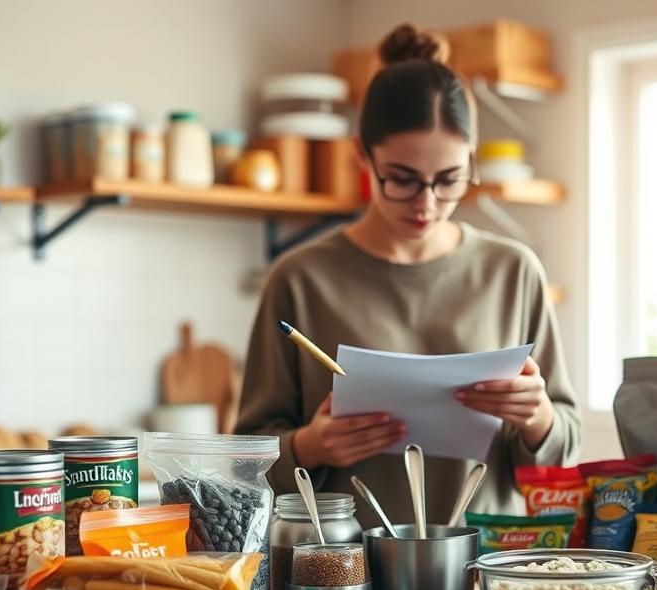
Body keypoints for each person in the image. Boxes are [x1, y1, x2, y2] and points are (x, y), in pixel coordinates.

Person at [235, 22, 580, 529]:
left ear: (471, 161)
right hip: (344, 574)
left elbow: (562, 452)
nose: (426, 204)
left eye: (449, 180)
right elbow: (243, 463)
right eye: (402, 180)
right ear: (362, 155)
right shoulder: (300, 278)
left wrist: (538, 417)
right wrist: (311, 445)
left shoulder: (513, 270)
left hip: (489, 571)